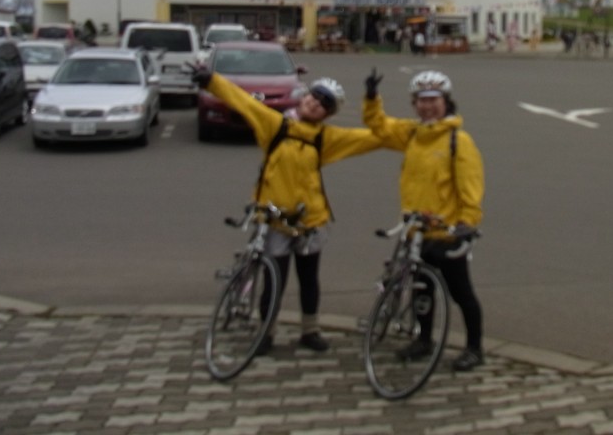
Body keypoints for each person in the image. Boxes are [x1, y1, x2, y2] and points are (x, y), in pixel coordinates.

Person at [192, 66, 382, 354]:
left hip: (311, 221)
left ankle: (310, 331)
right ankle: (265, 334)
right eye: (314, 96)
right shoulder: (276, 126)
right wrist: (211, 81)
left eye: (324, 104)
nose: (315, 103)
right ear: (304, 95)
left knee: (309, 280)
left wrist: (377, 104)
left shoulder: (325, 138)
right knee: (274, 282)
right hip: (274, 220)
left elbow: (373, 138)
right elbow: (244, 102)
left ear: (328, 114)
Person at [362, 68, 486, 371]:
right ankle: (423, 340)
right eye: (421, 100)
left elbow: (470, 186)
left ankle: (474, 348)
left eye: (433, 99)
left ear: (446, 102)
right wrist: (371, 98)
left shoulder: (459, 140)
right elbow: (379, 127)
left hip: (447, 232)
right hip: (415, 231)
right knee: (421, 290)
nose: (427, 106)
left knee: (461, 293)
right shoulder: (413, 134)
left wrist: (467, 223)